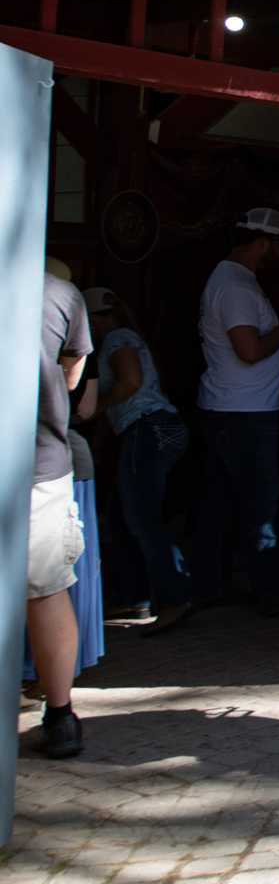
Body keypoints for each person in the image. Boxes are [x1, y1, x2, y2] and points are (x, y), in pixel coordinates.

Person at [196, 208, 279, 614]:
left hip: (236, 408)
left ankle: (213, 584)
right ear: (262, 242)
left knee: (223, 501)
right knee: (259, 503)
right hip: (243, 412)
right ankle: (268, 591)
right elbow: (249, 350)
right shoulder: (235, 288)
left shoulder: (234, 282)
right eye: (277, 245)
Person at [82, 288, 193, 633]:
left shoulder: (118, 339)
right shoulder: (128, 336)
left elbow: (130, 382)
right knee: (123, 516)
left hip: (147, 427)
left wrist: (93, 410)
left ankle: (175, 596)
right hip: (157, 427)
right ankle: (136, 595)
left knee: (143, 518)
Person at [28, 273, 93, 758]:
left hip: (38, 464)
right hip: (40, 464)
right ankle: (60, 713)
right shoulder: (59, 293)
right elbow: (72, 378)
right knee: (47, 591)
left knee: (47, 590)